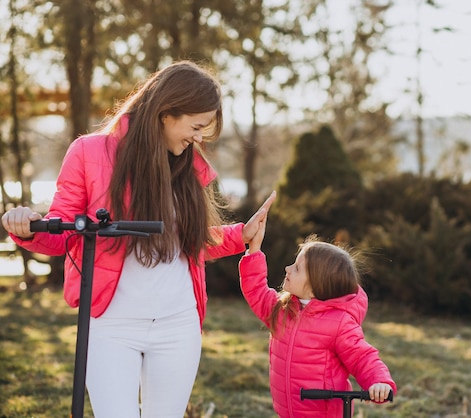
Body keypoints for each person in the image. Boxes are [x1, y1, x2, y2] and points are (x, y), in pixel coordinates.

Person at [1, 60, 276, 418]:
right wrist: (27, 225)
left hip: (179, 326)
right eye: (195, 126)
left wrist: (241, 235)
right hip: (112, 325)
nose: (198, 138)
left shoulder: (186, 166)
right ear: (166, 113)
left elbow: (187, 243)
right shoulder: (89, 152)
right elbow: (64, 231)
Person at [238, 200, 397, 418]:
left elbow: (363, 357)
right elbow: (255, 289)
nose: (287, 269)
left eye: (296, 268)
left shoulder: (339, 324)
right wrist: (254, 249)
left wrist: (379, 381)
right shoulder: (282, 310)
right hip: (288, 411)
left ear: (316, 288)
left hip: (324, 413)